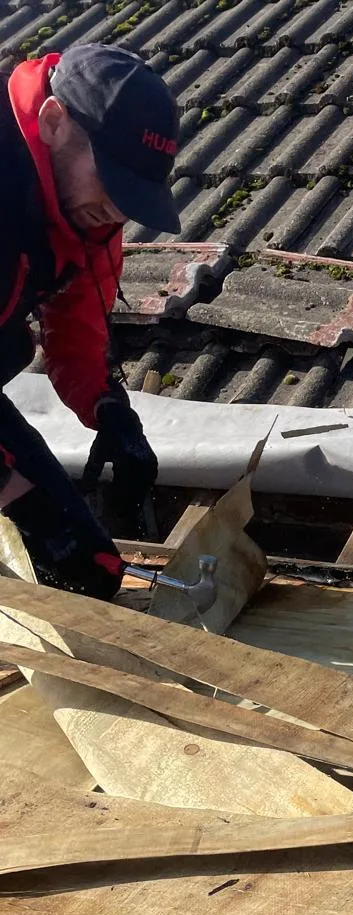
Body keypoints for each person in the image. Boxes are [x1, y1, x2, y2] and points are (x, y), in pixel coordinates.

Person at [0, 44, 180, 598]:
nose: (117, 211)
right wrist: (18, 496)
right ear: (53, 120)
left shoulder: (86, 210)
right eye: (112, 181)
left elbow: (76, 321)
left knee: (89, 572)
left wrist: (109, 412)